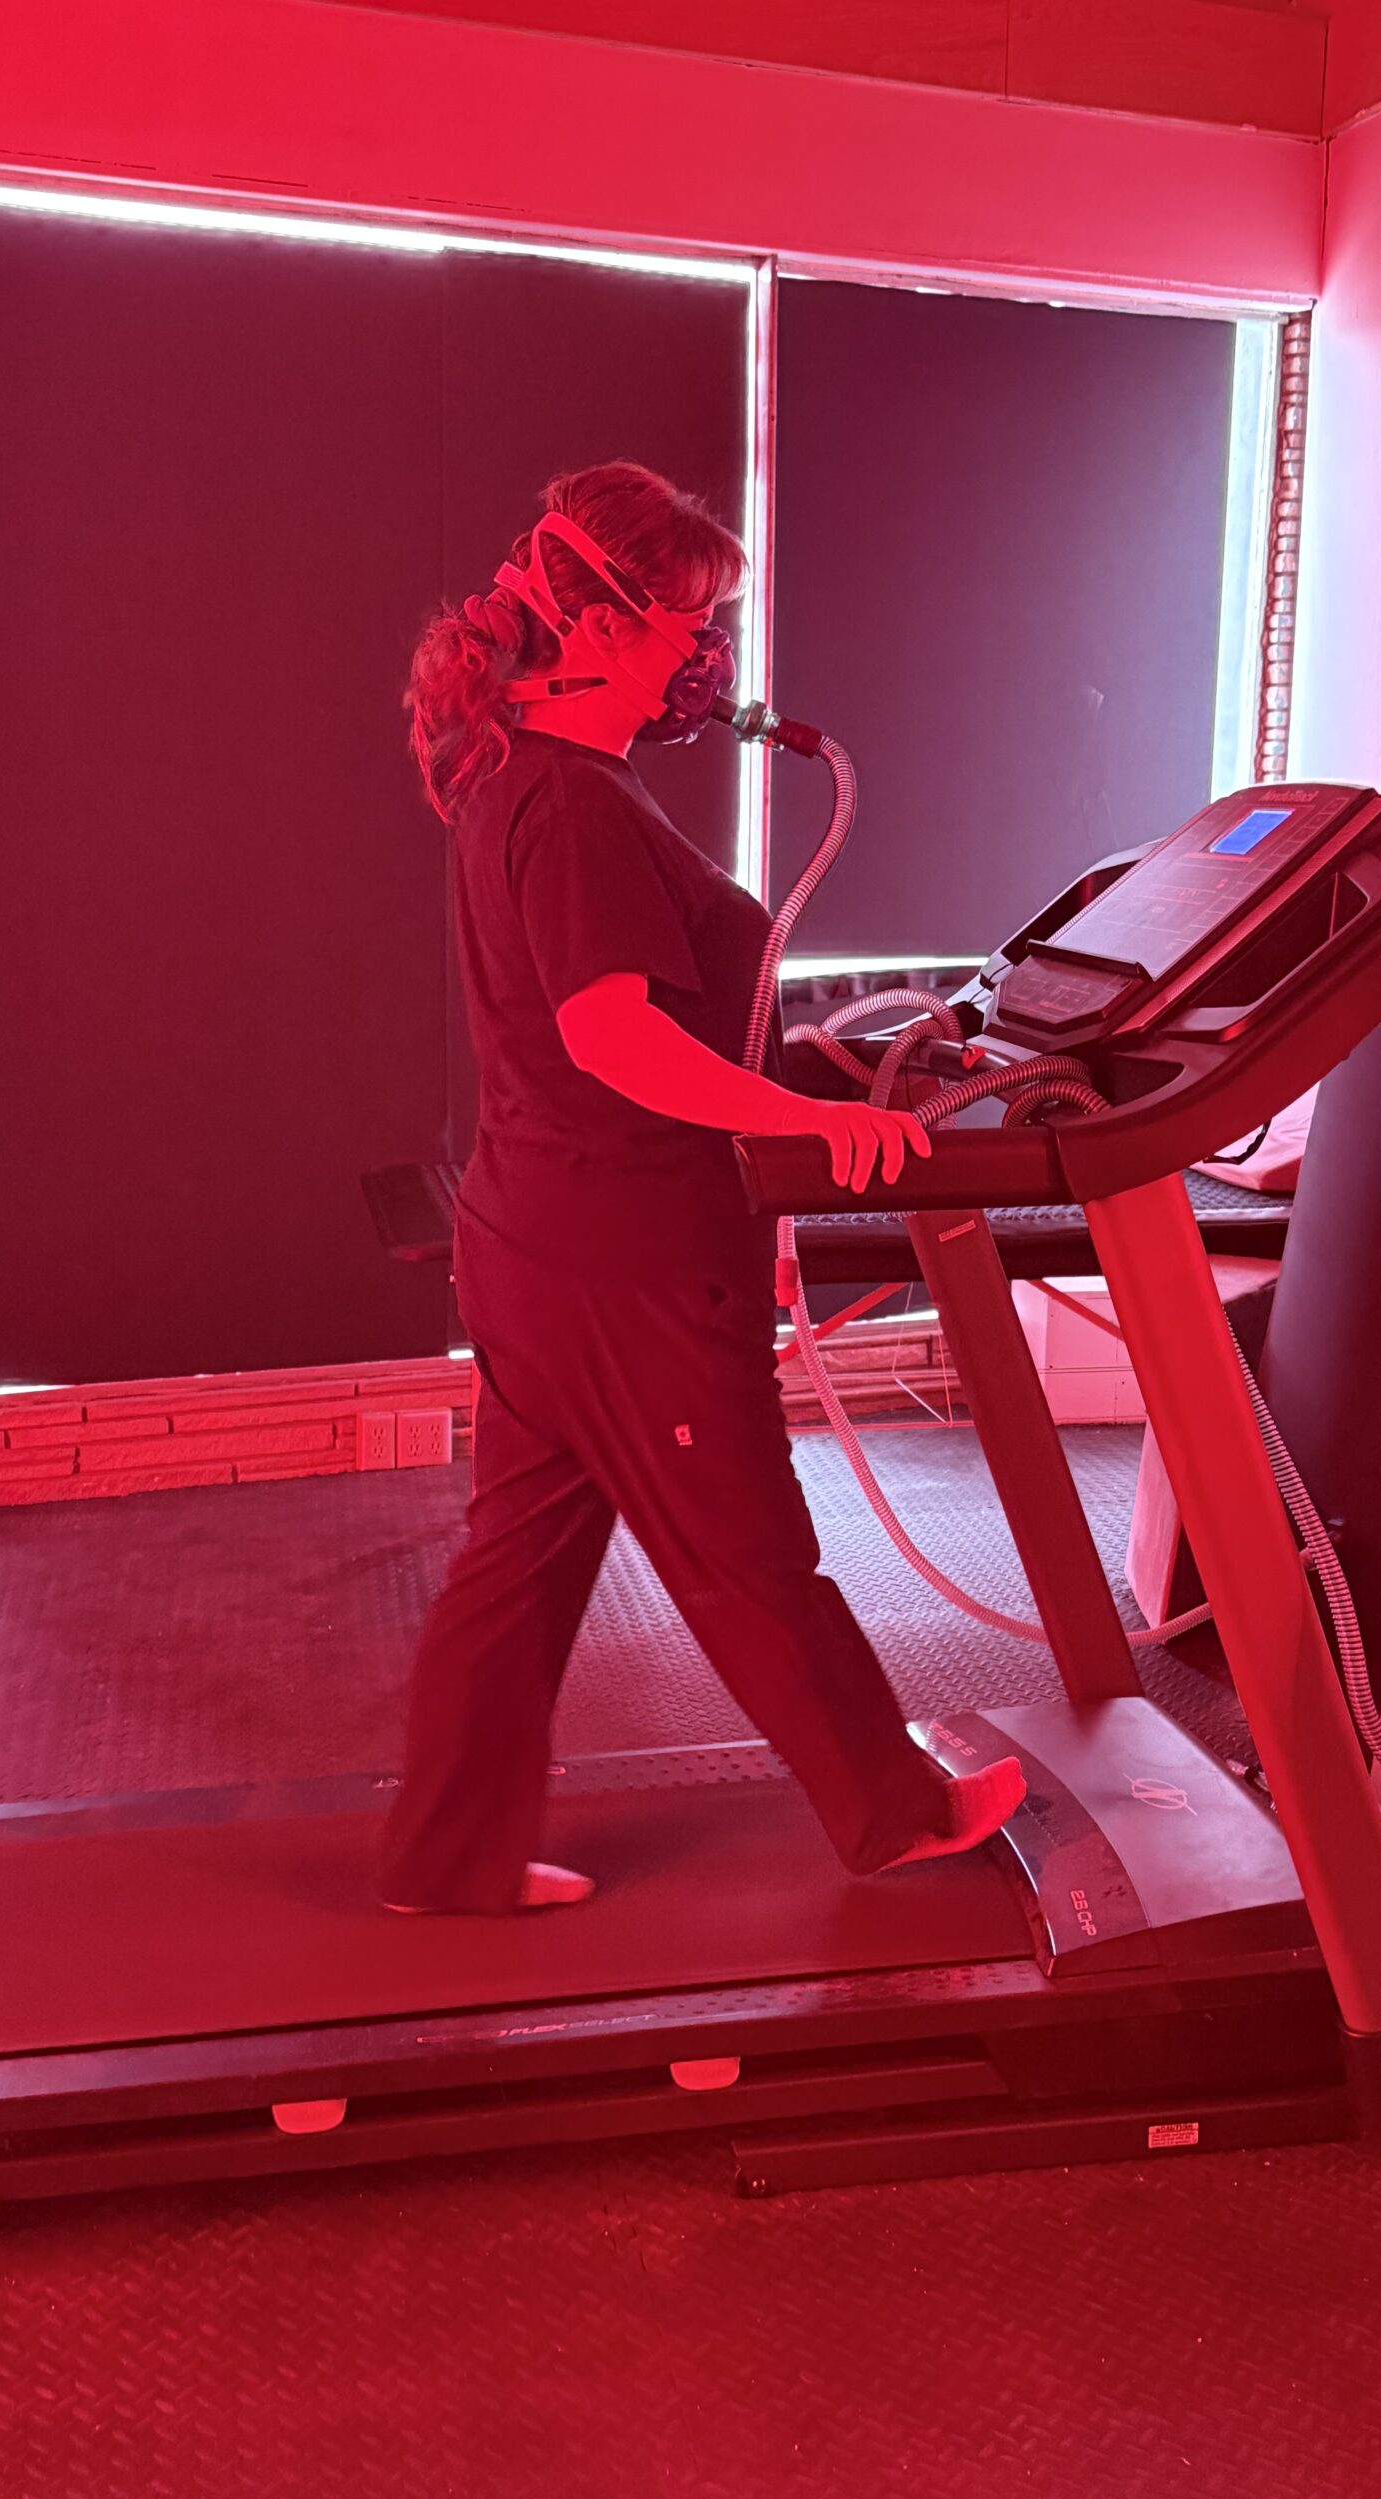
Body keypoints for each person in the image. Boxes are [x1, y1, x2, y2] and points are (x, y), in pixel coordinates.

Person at [380, 460, 1023, 1914]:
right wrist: (805, 1125)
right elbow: (609, 1033)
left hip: (540, 1239)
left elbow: (651, 1020)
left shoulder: (518, 783)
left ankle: (444, 1856)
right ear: (600, 629)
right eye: (688, 622)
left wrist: (790, 1099)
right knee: (750, 1556)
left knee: (522, 1563)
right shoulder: (574, 806)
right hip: (624, 1263)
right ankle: (897, 1811)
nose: (706, 656)